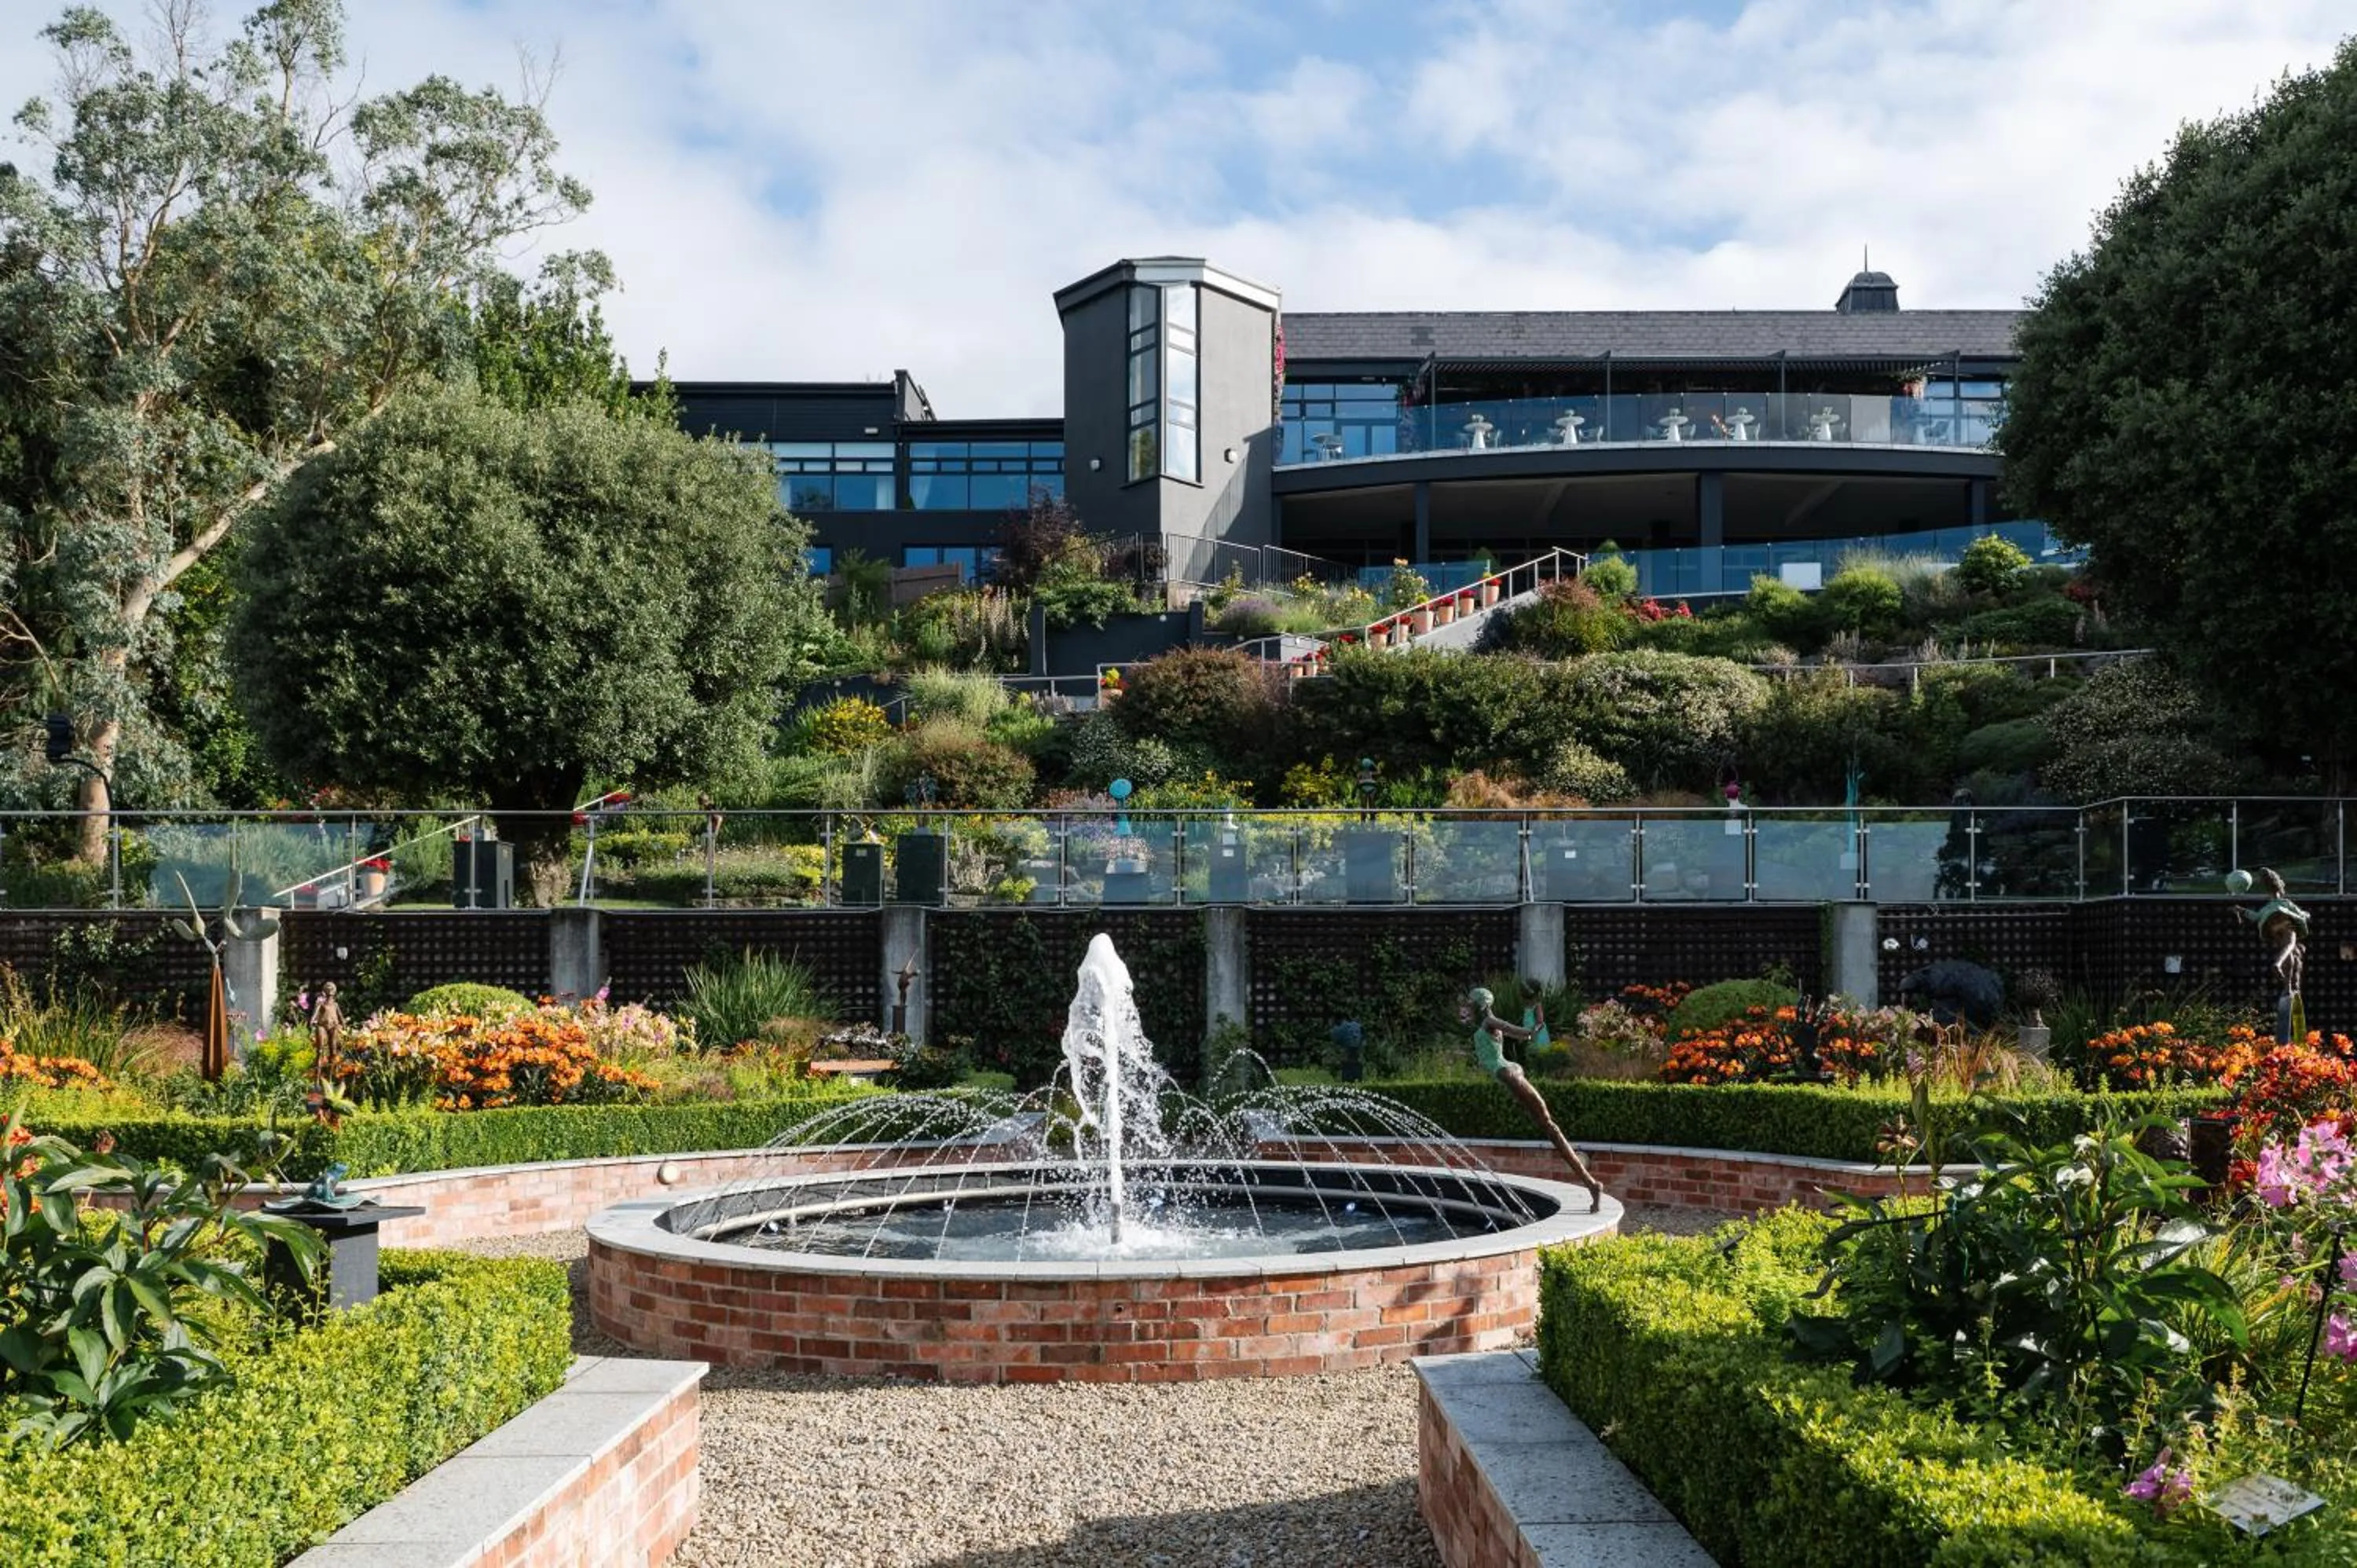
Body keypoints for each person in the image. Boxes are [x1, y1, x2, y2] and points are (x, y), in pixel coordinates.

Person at [1464, 987, 1601, 1209]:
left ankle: (1592, 1184)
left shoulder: (1490, 1022)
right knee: (1548, 1125)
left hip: (1509, 1074)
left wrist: (1535, 1027)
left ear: (1481, 1004)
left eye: (1471, 1003)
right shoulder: (1485, 1024)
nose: (1468, 1007)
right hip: (1507, 1073)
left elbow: (1520, 1032)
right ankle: (1591, 1183)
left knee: (1549, 1126)